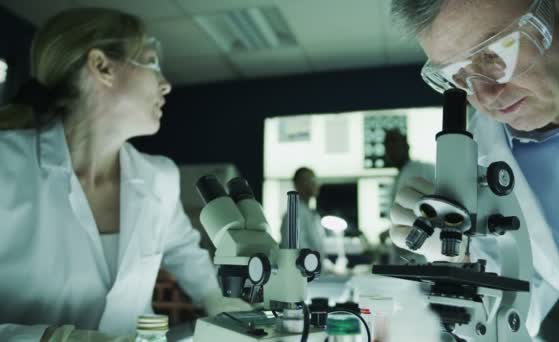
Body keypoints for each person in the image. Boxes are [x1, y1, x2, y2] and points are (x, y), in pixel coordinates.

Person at [0, 8, 249, 341]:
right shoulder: (6, 166)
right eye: (152, 63)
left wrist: (217, 298)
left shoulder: (159, 178)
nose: (166, 85)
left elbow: (184, 252)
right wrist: (51, 338)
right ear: (102, 67)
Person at [389, 0, 559, 339]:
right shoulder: (483, 152)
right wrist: (457, 261)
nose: (485, 95)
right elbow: (511, 302)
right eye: (457, 75)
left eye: (496, 52)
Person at [381, 129, 434, 264]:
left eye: (394, 144)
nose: (389, 150)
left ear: (406, 146)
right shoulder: (400, 175)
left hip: (418, 256)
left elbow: (417, 219)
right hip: (404, 254)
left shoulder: (417, 170)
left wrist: (388, 233)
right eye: (387, 146)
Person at [280, 167, 326, 259]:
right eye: (311, 179)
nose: (316, 183)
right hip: (301, 271)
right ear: (298, 184)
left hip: (313, 269)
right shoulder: (294, 214)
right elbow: (297, 252)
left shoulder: (312, 214)